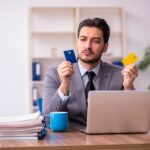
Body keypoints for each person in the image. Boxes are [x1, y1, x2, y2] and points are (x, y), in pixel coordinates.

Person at [43, 18, 138, 127]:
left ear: (105, 47)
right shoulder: (54, 74)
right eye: (83, 39)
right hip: (70, 140)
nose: (87, 46)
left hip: (108, 139)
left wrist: (128, 87)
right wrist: (64, 86)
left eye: (96, 41)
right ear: (77, 42)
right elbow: (48, 120)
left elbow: (131, 120)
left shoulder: (120, 75)